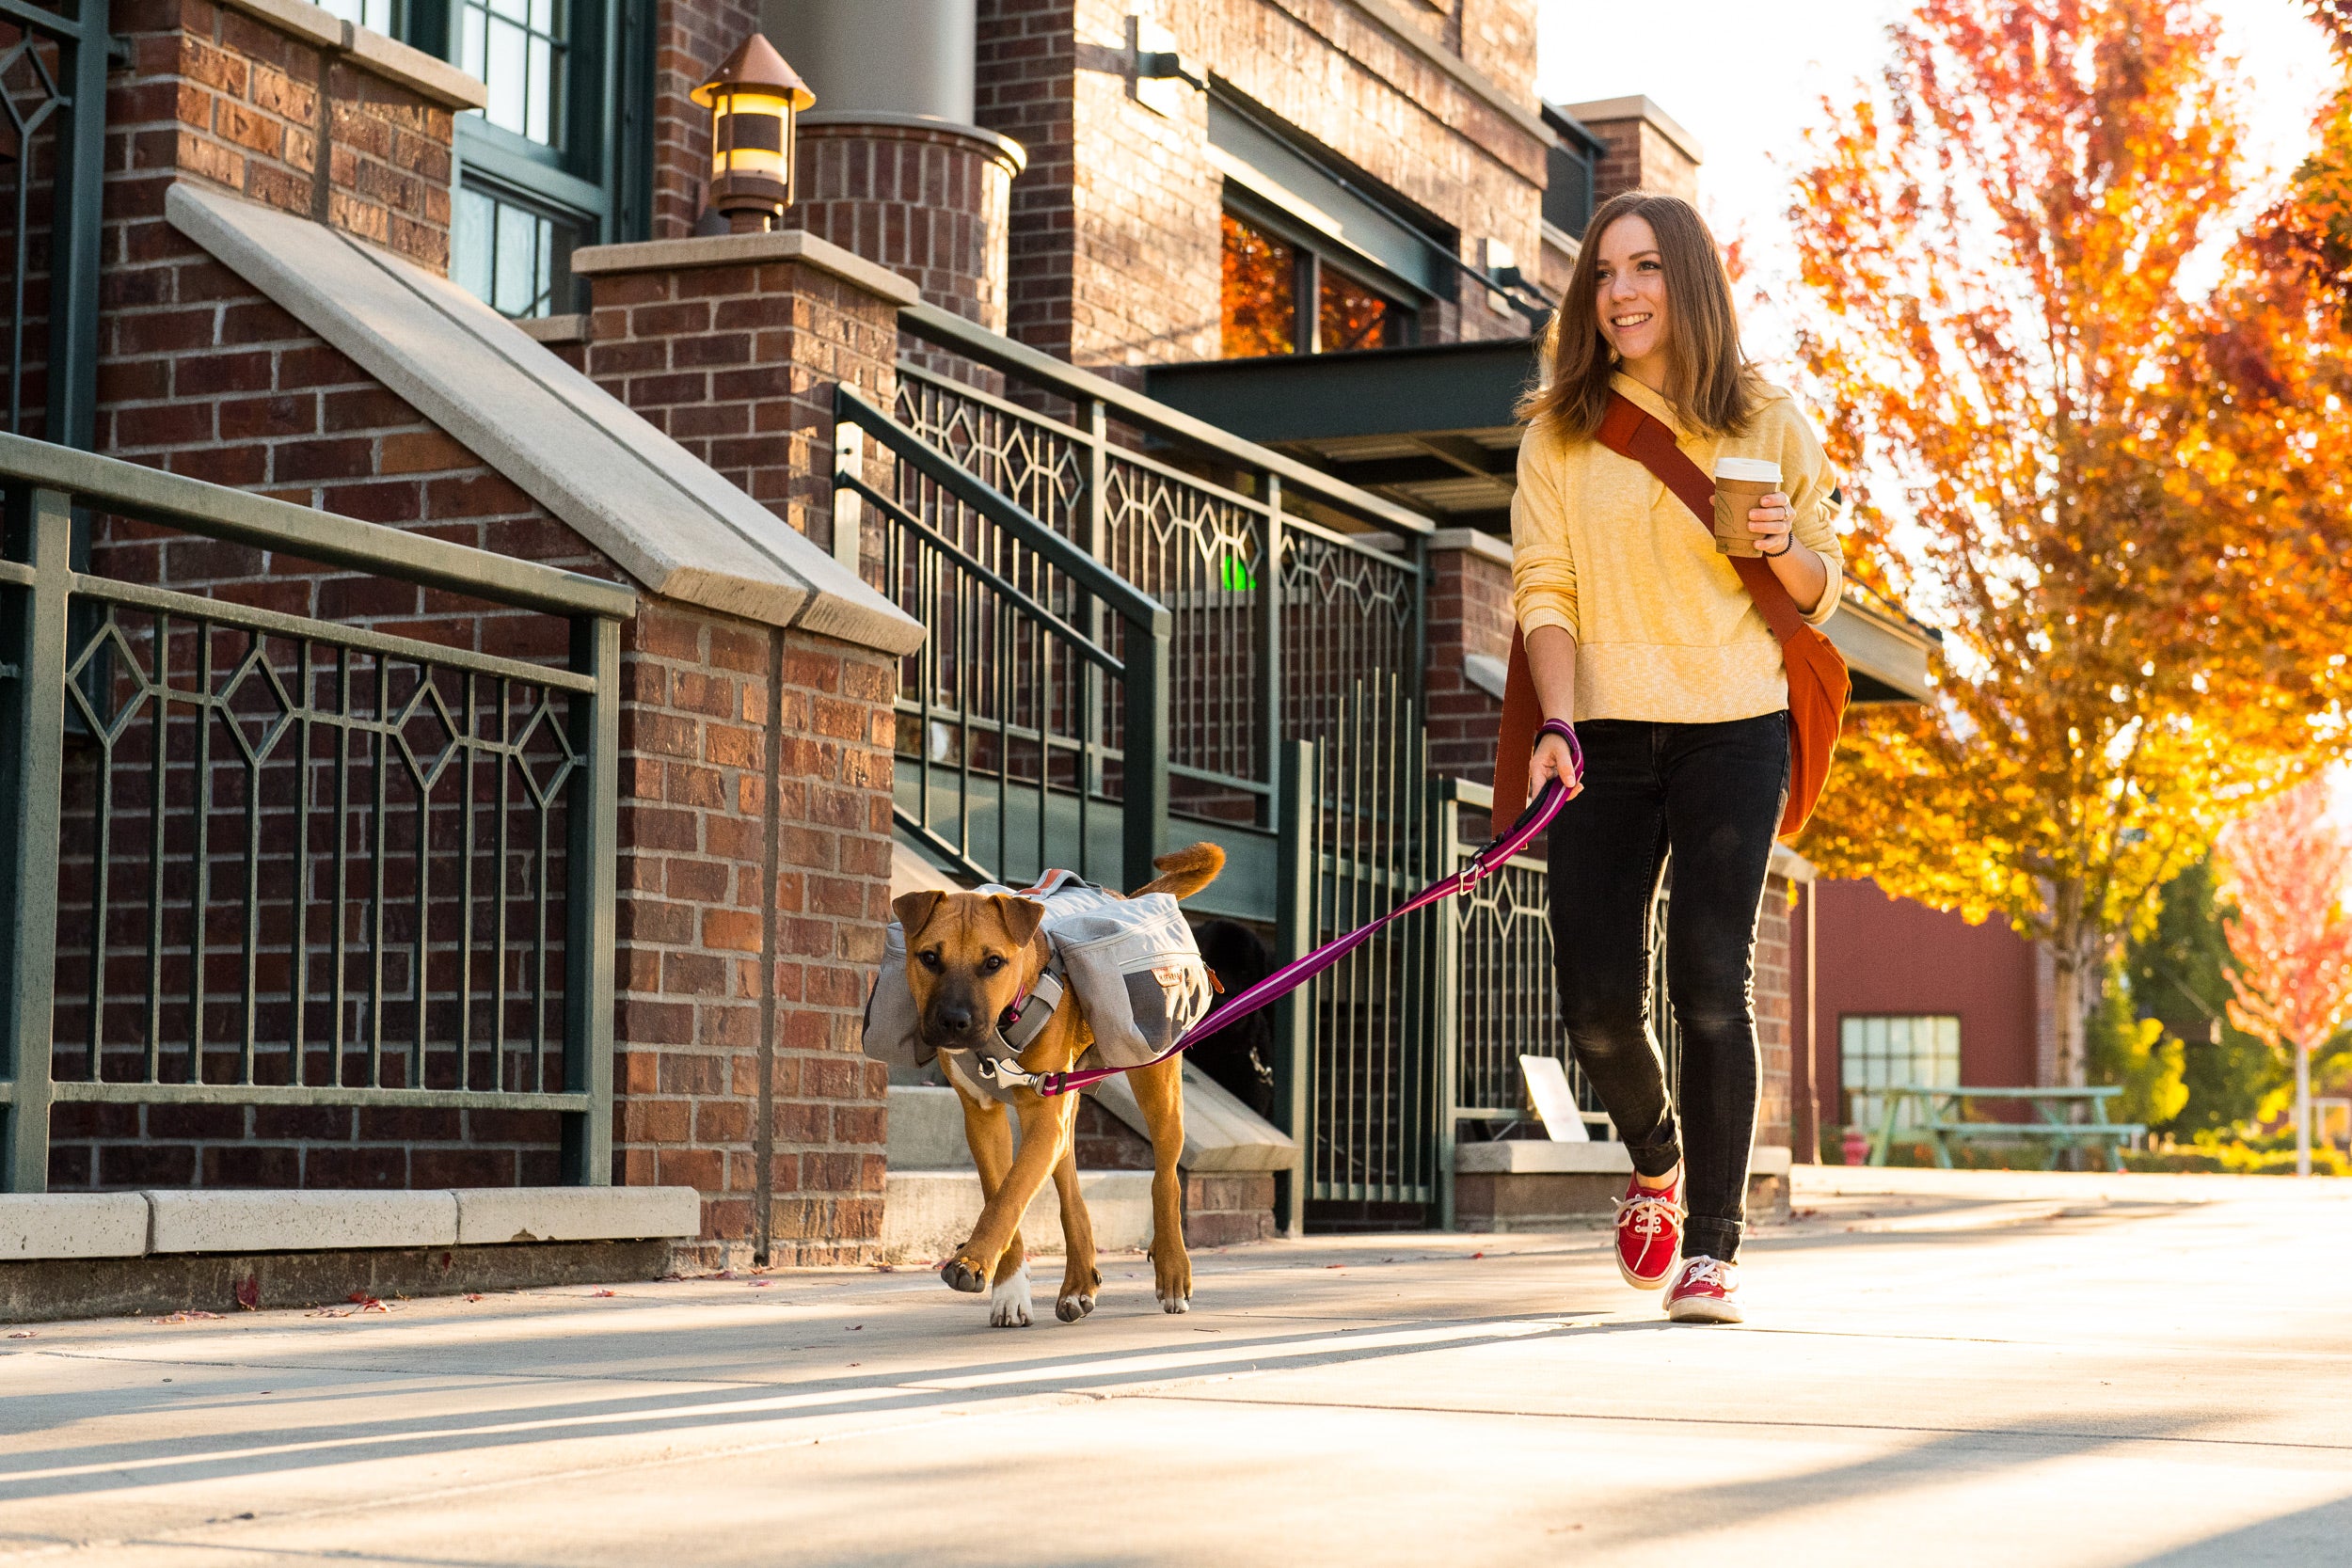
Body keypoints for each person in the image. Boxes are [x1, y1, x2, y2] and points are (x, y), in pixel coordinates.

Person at [1513, 190, 1842, 1324]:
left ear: (1687, 278)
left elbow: (1819, 590)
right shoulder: (1560, 431)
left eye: (1644, 268)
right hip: (1601, 729)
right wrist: (1556, 722)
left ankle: (1712, 1245)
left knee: (1712, 978)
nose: (1621, 293)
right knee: (1598, 999)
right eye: (1603, 275)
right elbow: (1542, 591)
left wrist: (1782, 545)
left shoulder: (1767, 417)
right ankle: (1652, 1157)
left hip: (1733, 725)